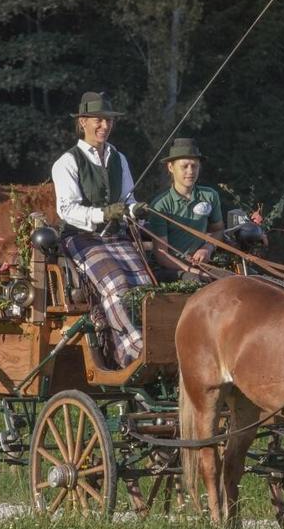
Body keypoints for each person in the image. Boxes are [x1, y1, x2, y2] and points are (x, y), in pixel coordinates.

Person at [51, 91, 152, 367]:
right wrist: (103, 213)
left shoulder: (119, 158)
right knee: (116, 284)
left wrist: (135, 210)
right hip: (81, 239)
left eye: (108, 121)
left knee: (144, 286)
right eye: (98, 120)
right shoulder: (67, 162)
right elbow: (67, 210)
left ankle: (152, 344)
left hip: (116, 237)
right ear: (82, 122)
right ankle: (130, 352)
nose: (104, 126)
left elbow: (127, 201)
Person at [145, 138, 225, 281]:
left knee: (235, 281)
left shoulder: (210, 195)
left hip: (204, 266)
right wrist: (192, 270)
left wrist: (208, 248)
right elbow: (162, 255)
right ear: (170, 167)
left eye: (194, 166)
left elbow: (218, 229)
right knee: (198, 283)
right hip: (172, 269)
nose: (190, 171)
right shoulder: (160, 206)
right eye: (184, 166)